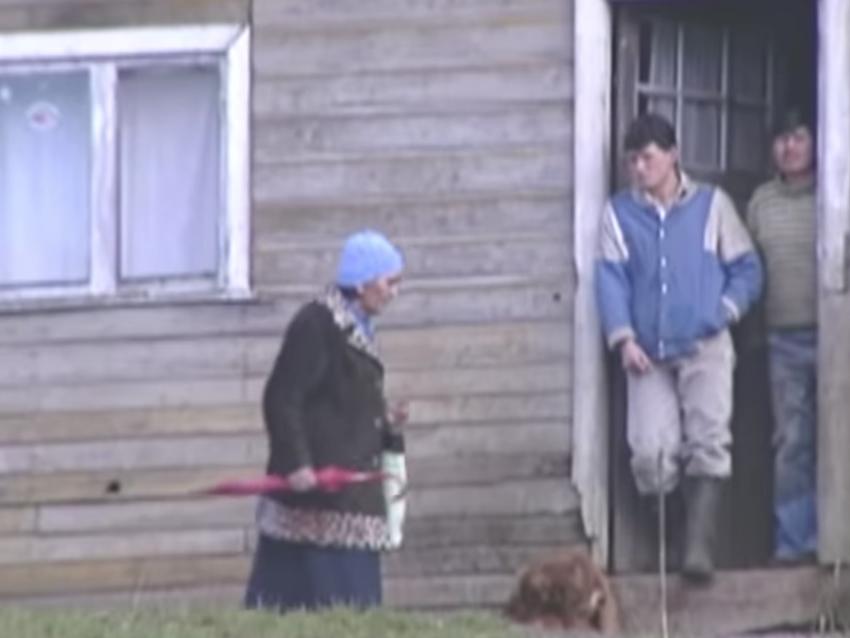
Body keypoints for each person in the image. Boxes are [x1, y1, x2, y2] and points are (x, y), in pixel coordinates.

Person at [595, 113, 763, 582]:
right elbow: (609, 280)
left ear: (672, 156)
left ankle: (697, 552)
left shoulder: (712, 207)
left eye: (647, 158)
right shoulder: (619, 214)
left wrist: (724, 311)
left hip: (705, 345)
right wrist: (623, 338)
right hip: (646, 352)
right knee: (649, 453)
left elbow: (747, 269)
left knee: (709, 440)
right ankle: (670, 540)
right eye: (632, 160)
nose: (638, 169)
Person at [244, 229, 406, 612]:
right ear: (363, 282)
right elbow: (283, 397)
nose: (395, 292)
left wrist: (384, 421)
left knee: (352, 614)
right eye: (390, 282)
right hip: (314, 507)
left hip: (350, 501)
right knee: (300, 610)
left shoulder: (360, 328)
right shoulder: (317, 324)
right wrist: (296, 463)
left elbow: (336, 403)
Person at [746, 107, 818, 564]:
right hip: (783, 340)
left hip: (836, 335)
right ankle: (795, 545)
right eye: (780, 139)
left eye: (798, 136)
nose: (789, 147)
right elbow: (751, 268)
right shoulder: (760, 203)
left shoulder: (837, 190)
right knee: (792, 442)